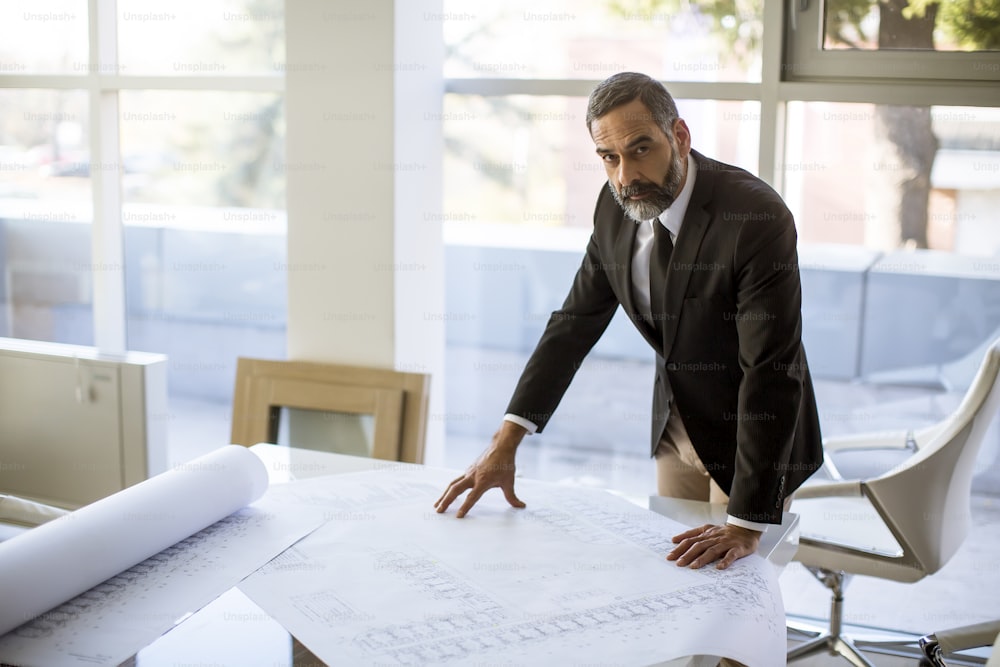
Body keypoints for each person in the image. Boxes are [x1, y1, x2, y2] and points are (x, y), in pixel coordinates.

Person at [435, 71, 824, 571]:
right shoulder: (616, 205)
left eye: (641, 149)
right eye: (609, 157)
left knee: (740, 597)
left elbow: (770, 368)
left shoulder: (755, 217)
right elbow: (575, 322)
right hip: (677, 430)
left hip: (757, 440)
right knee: (676, 584)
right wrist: (504, 442)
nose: (625, 175)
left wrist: (746, 523)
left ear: (679, 137)